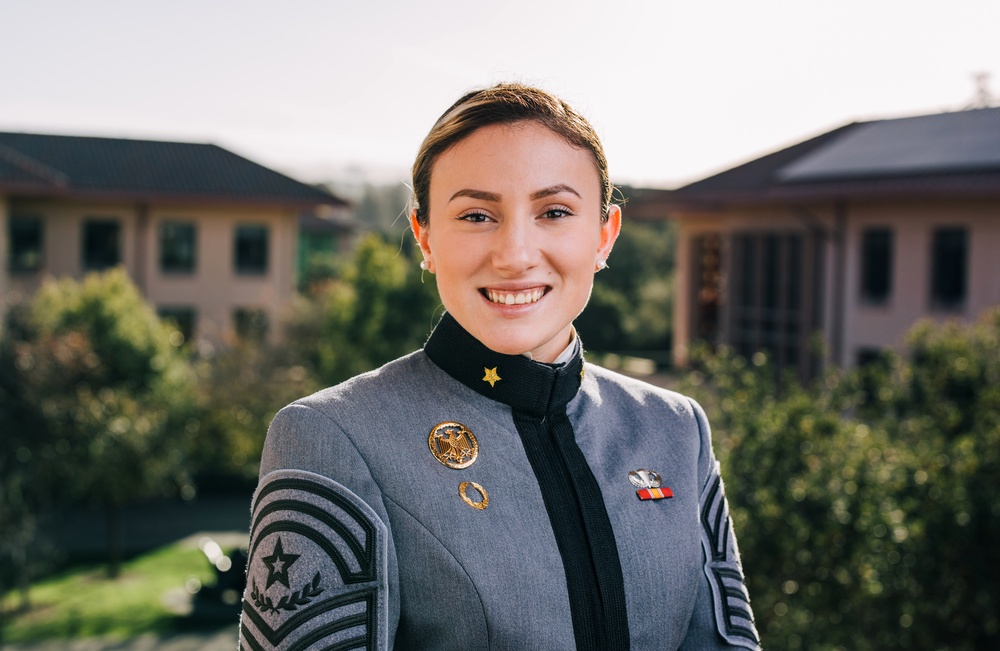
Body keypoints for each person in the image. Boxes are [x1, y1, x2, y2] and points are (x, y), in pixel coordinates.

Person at [239, 83, 759, 650]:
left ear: (604, 236)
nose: (515, 254)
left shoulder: (676, 428)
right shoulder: (330, 437)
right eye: (478, 215)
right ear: (425, 236)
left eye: (555, 212)